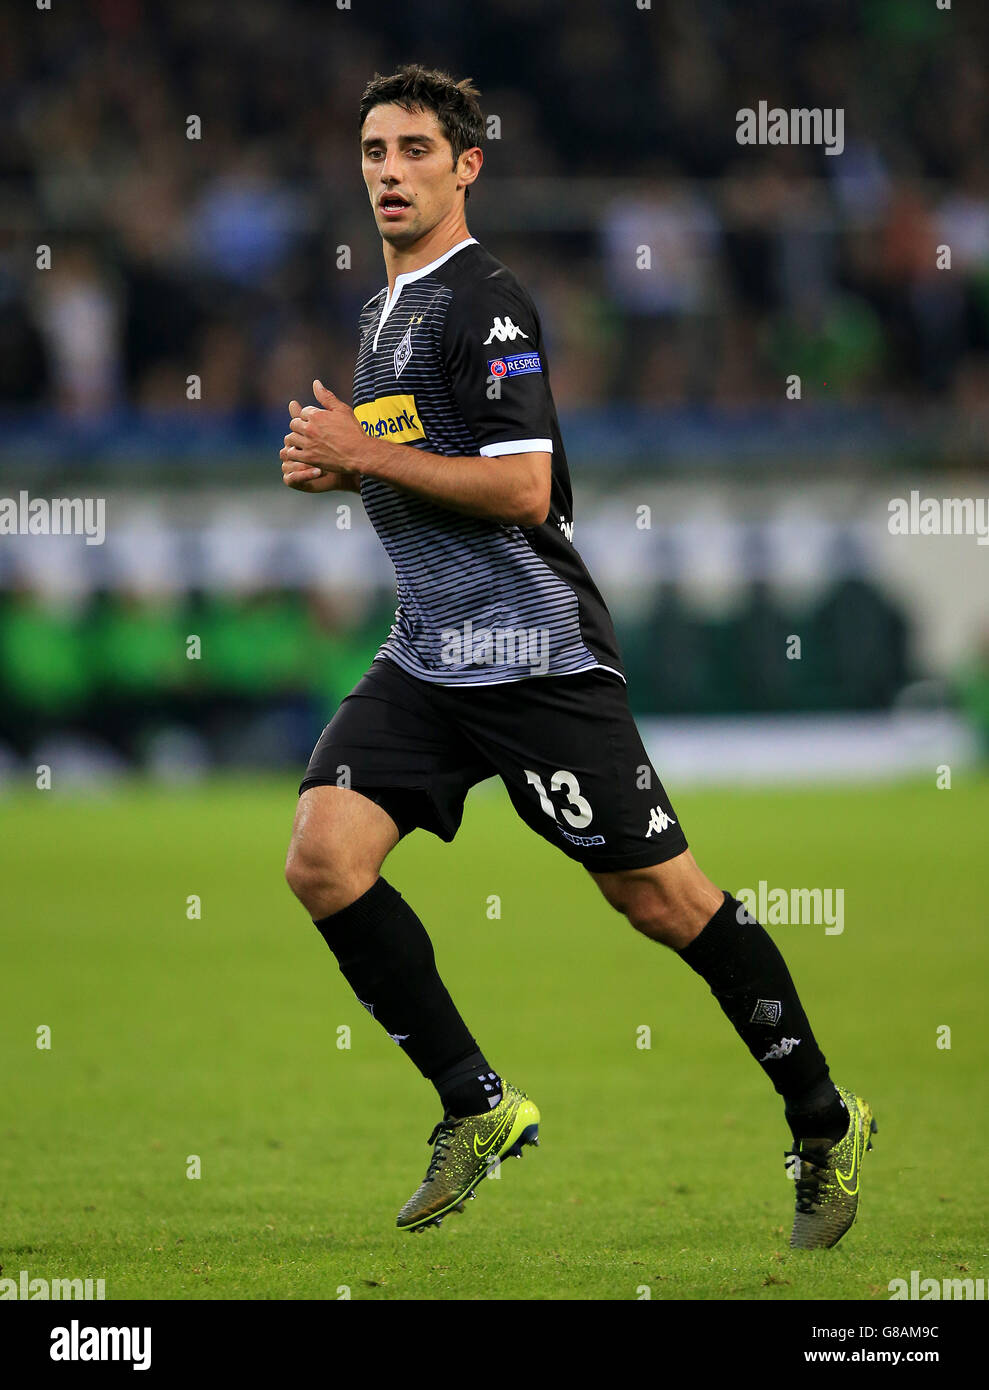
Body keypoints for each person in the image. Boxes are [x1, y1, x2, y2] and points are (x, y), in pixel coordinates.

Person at [279, 63, 875, 1245]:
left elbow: (520, 485)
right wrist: (341, 462)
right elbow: (407, 462)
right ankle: (476, 1106)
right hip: (431, 655)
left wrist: (367, 456)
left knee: (658, 897)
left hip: (535, 654)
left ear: (467, 167)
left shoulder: (483, 299)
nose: (389, 173)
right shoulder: (380, 311)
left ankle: (822, 1118)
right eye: (374, 153)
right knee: (322, 858)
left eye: (413, 151)